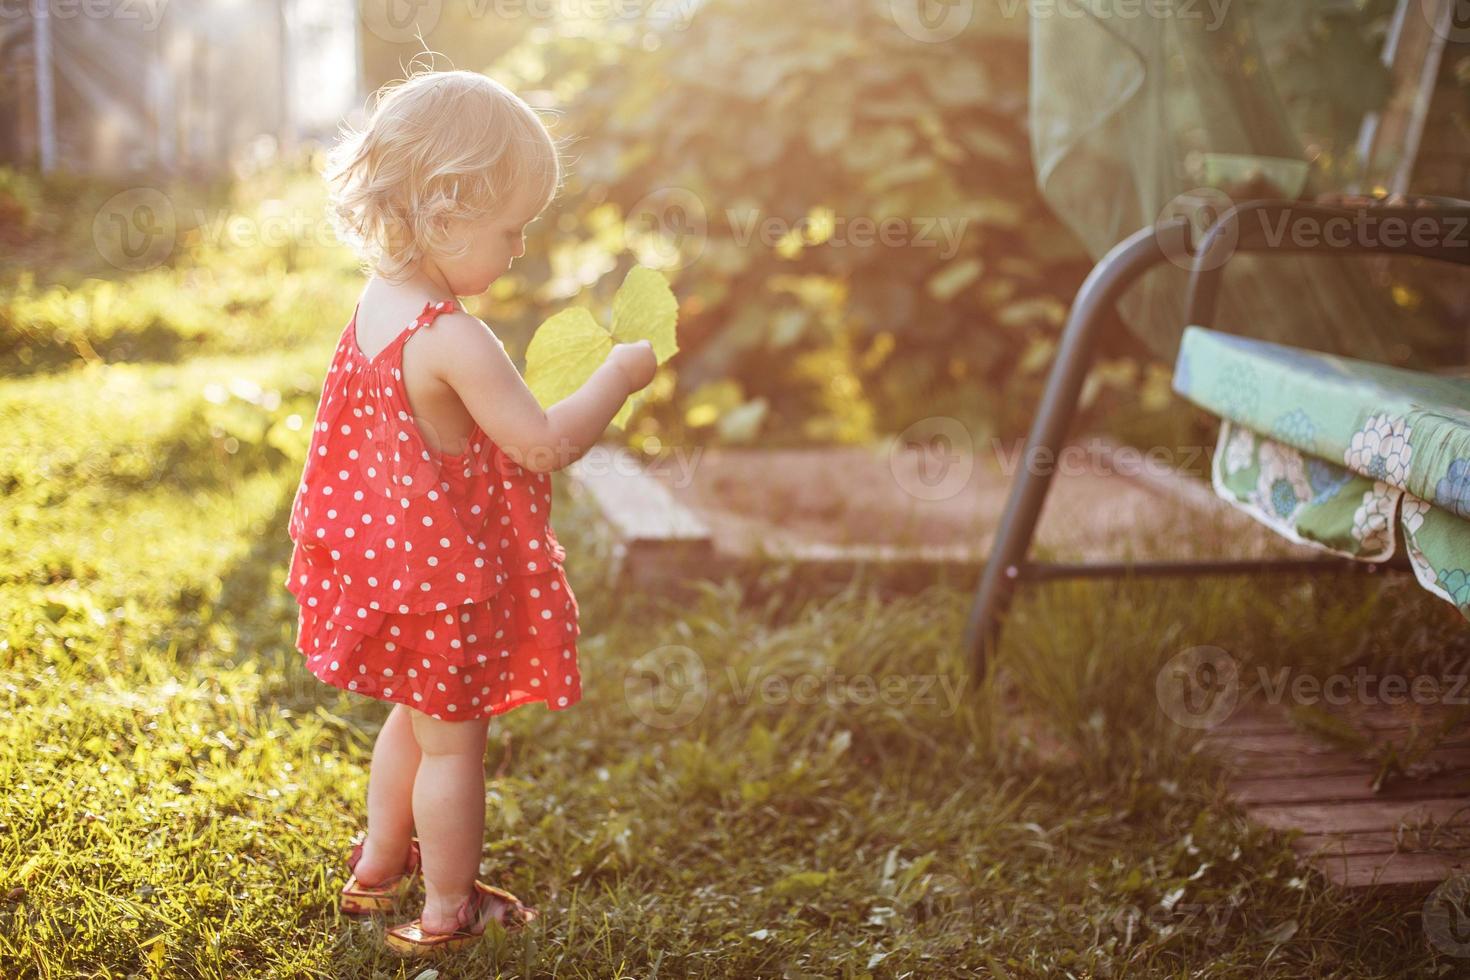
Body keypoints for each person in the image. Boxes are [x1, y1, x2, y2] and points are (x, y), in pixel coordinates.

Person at [281, 67, 657, 956]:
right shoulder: (454, 337)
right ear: (445, 217)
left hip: (394, 571)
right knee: (454, 749)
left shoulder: (379, 306)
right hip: (446, 581)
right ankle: (447, 908)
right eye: (512, 228)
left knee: (411, 719)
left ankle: (377, 869)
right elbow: (541, 444)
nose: (520, 248)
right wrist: (619, 376)